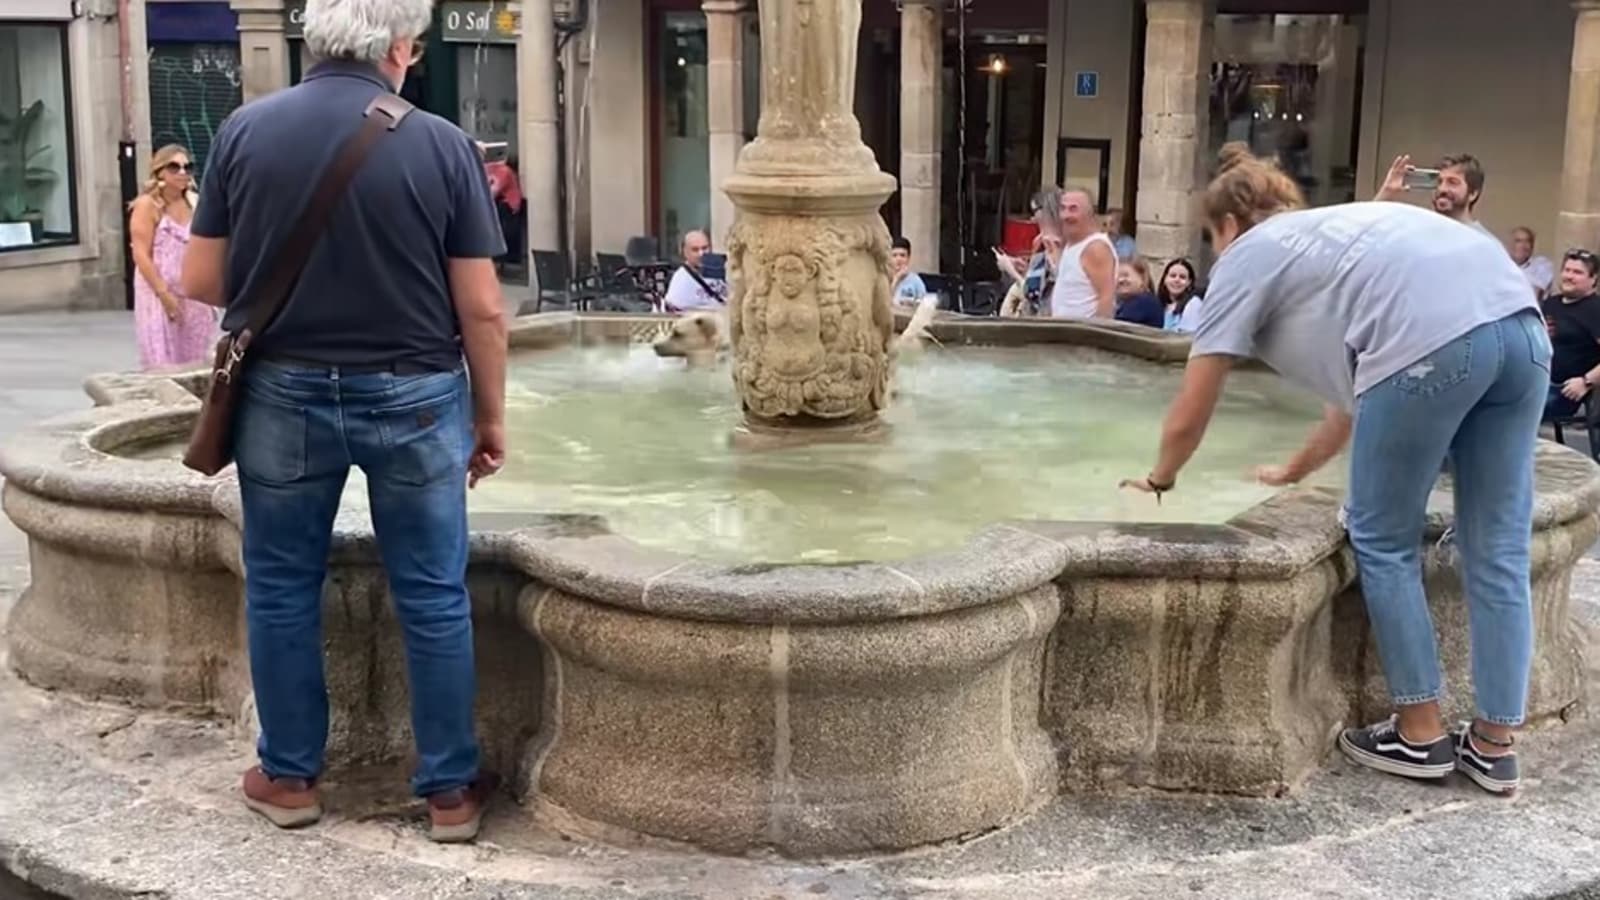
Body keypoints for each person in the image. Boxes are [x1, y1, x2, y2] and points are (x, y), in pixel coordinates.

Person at [180, 0, 509, 843]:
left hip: (283, 392)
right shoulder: (440, 144)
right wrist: (491, 416)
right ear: (397, 47)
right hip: (415, 391)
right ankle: (448, 793)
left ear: (314, 41)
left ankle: (289, 777)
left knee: (284, 585)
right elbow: (482, 308)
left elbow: (204, 281)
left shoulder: (246, 131)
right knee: (433, 593)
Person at [1123, 144, 1546, 795]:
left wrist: (1160, 477)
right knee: (1498, 545)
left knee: (1380, 535)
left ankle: (1420, 732)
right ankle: (1495, 745)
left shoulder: (1248, 256)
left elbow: (1195, 399)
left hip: (1434, 344)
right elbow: (1355, 406)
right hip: (1522, 332)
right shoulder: (1338, 237)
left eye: (1212, 235)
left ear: (1229, 225)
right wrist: (1295, 468)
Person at [129, 144, 214, 370]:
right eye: (174, 167)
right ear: (160, 172)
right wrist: (163, 294)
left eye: (188, 167)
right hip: (157, 291)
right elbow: (140, 253)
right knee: (161, 358)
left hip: (192, 293)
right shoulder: (148, 205)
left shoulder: (195, 202)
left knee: (195, 360)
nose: (182, 173)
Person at [1539, 249, 1600, 422]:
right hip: (1536, 380)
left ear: (1593, 279)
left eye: (1578, 272)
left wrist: (1586, 382)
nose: (1569, 276)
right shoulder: (1551, 303)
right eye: (1567, 270)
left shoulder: (1595, 309)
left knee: (1508, 408)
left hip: (1564, 390)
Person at [1375, 152, 1493, 238]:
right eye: (1439, 182)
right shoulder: (1420, 232)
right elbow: (1367, 234)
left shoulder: (1484, 244)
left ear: (1473, 194)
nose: (1442, 189)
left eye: (1453, 182)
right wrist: (1387, 191)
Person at [1046, 188, 1116, 319]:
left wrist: (1097, 336)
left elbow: (1106, 298)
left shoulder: (1096, 248)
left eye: (1073, 209)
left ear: (1089, 214)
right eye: (1063, 208)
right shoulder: (1071, 244)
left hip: (1082, 335)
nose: (1066, 215)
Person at [995, 187, 1063, 318]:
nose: (1032, 217)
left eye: (1034, 211)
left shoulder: (1052, 244)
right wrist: (1026, 269)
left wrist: (1011, 270)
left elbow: (1035, 292)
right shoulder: (1041, 242)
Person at [661, 229, 724, 313]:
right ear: (685, 252)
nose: (701, 254)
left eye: (705, 248)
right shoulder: (680, 279)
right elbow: (673, 310)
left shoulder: (720, 268)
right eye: (695, 250)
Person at [1112, 258, 1164, 329]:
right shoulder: (1125, 304)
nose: (1120, 280)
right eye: (1117, 277)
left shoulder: (1145, 301)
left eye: (1125, 275)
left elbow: (1114, 328)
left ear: (1142, 278)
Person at [1157, 257, 1204, 333]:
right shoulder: (1159, 305)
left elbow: (1187, 339)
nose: (1177, 280)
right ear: (1165, 279)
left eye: (1182, 277)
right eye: (1173, 276)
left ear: (1189, 282)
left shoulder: (1193, 304)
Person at [1510, 226, 1556, 298]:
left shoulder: (1542, 264)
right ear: (1509, 245)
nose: (1523, 245)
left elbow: (1534, 296)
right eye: (1518, 241)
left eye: (1528, 241)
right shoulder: (1500, 267)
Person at [890, 236, 930, 307]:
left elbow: (925, 306)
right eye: (894, 255)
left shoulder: (916, 281)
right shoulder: (884, 279)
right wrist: (896, 279)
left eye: (902, 255)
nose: (898, 259)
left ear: (908, 258)